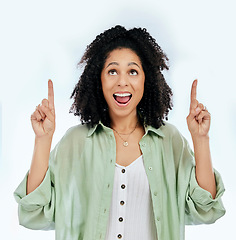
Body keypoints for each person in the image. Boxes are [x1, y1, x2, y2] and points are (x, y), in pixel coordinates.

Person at [14, 25, 226, 240]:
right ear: (99, 79)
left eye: (132, 71)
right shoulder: (75, 141)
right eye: (112, 71)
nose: (122, 81)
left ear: (147, 79)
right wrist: (42, 139)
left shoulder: (169, 140)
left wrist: (201, 140)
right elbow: (33, 213)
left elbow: (206, 209)